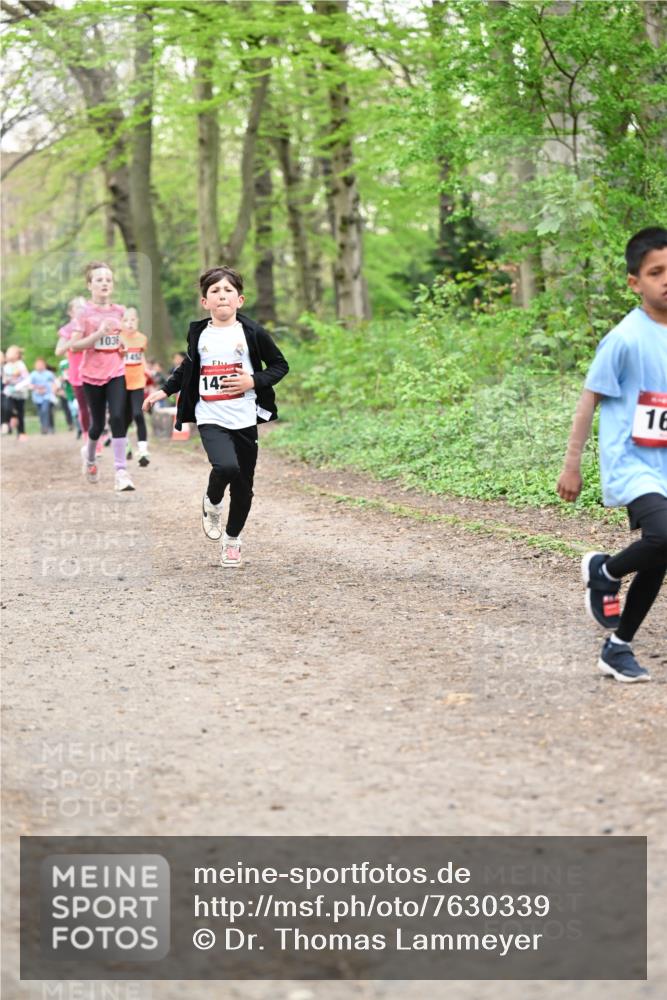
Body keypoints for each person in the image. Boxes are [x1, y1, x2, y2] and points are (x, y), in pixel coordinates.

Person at [557, 226, 667, 683]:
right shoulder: (624, 338)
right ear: (634, 282)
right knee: (663, 536)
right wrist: (572, 463)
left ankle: (617, 647)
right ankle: (605, 568)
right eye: (656, 272)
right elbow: (589, 401)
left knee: (661, 557)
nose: (666, 279)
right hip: (632, 462)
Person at [143, 265, 289, 566]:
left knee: (244, 487)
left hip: (245, 416)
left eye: (228, 291)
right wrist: (165, 390)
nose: (222, 296)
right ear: (205, 302)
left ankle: (232, 540)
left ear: (240, 300)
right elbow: (188, 367)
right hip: (210, 413)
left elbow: (279, 366)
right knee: (225, 466)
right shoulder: (200, 333)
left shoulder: (252, 332)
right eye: (214, 291)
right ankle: (212, 502)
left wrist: (252, 381)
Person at [68, 262, 134, 491]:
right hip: (90, 374)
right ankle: (90, 456)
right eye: (99, 280)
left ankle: (121, 471)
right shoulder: (83, 313)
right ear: (89, 285)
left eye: (108, 279)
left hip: (116, 370)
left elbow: (123, 339)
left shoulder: (120, 311)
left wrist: (124, 346)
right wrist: (98, 333)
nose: (104, 283)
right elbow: (75, 346)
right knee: (96, 425)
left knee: (117, 417)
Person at [55, 296, 90, 444]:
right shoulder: (67, 329)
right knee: (83, 407)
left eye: (84, 307)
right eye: (78, 308)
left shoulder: (91, 325)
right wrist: (73, 341)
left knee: (97, 405)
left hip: (94, 370)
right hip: (76, 373)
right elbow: (58, 351)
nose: (82, 310)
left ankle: (101, 432)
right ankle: (87, 434)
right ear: (71, 312)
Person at [121, 306, 150, 467]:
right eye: (125, 320)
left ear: (137, 321)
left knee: (138, 414)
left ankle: (143, 450)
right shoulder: (118, 338)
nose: (129, 323)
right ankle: (125, 444)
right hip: (121, 381)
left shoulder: (142, 338)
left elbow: (141, 355)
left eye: (132, 320)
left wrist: (147, 371)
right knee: (124, 417)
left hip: (138, 380)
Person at [2, 345, 30, 439]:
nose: (8, 354)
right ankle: (5, 423)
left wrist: (17, 387)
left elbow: (27, 379)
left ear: (17, 355)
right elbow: (5, 378)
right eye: (7, 352)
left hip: (20, 393)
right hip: (9, 392)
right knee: (7, 407)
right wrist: (5, 381)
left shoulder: (21, 365)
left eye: (11, 352)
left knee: (20, 413)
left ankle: (21, 432)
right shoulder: (6, 366)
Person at [28, 358, 57, 434]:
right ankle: (44, 426)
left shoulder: (49, 374)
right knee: (40, 412)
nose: (39, 366)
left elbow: (54, 383)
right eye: (38, 365)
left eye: (41, 364)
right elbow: (30, 385)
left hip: (47, 396)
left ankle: (46, 427)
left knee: (45, 410)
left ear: (44, 365)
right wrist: (36, 388)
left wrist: (53, 391)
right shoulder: (33, 374)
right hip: (37, 397)